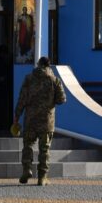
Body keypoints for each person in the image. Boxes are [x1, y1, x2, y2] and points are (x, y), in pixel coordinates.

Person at [13, 55, 66, 187]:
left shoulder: (29, 78)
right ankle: (42, 177)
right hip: (47, 121)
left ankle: (26, 170)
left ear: (38, 64)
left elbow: (22, 99)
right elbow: (62, 99)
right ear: (49, 65)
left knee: (28, 145)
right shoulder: (55, 80)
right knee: (44, 149)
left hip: (30, 119)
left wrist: (17, 116)